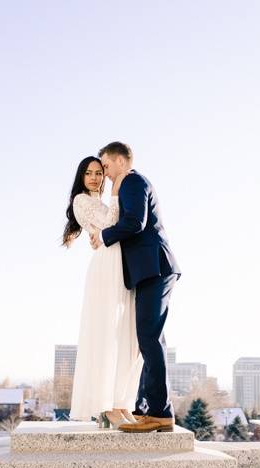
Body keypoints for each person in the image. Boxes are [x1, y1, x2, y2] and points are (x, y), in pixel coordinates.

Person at [90, 141, 181, 433]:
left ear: (120, 161)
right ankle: (152, 410)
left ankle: (159, 413)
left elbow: (134, 222)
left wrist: (104, 236)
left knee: (149, 340)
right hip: (150, 271)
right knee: (152, 340)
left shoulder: (132, 180)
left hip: (155, 268)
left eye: (105, 165)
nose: (104, 172)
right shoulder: (131, 183)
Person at [62, 156, 143, 428]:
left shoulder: (100, 201)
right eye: (89, 173)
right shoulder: (82, 201)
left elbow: (112, 225)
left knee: (125, 335)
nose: (95, 177)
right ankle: (106, 406)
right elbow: (111, 221)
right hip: (106, 266)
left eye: (99, 172)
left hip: (119, 264)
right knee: (107, 334)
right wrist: (117, 190)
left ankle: (121, 402)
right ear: (81, 178)